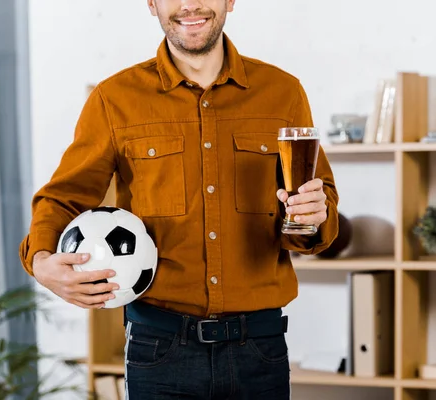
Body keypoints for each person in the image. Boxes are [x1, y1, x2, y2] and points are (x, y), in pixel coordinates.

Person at [19, 0, 339, 398]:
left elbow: (315, 212)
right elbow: (63, 198)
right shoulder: (113, 100)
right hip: (160, 350)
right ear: (152, 3)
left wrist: (315, 213)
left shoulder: (283, 94)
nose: (190, 5)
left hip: (260, 349)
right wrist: (43, 260)